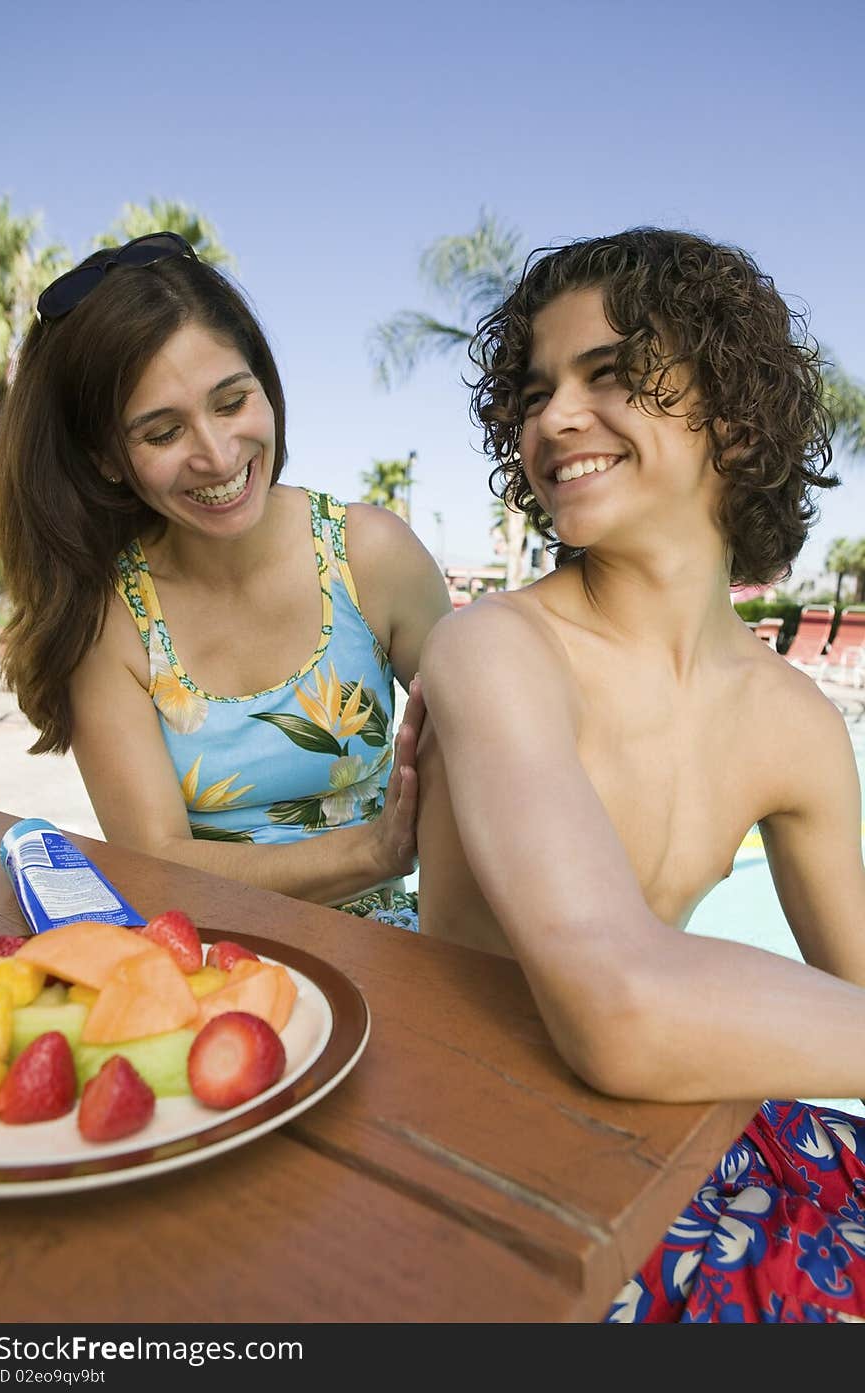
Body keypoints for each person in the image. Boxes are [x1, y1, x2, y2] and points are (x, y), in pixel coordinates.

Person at [415, 227, 865, 1321]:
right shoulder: (499, 652)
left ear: (734, 412)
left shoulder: (792, 721)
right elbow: (613, 1004)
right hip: (477, 1172)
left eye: (608, 376)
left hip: (673, 1142)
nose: (553, 418)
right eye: (533, 393)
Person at [0, 233, 451, 925]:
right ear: (107, 457)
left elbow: (487, 764)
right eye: (162, 432)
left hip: (400, 958)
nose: (217, 454)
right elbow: (156, 861)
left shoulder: (371, 554)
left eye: (232, 402)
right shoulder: (106, 616)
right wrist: (376, 851)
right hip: (208, 964)